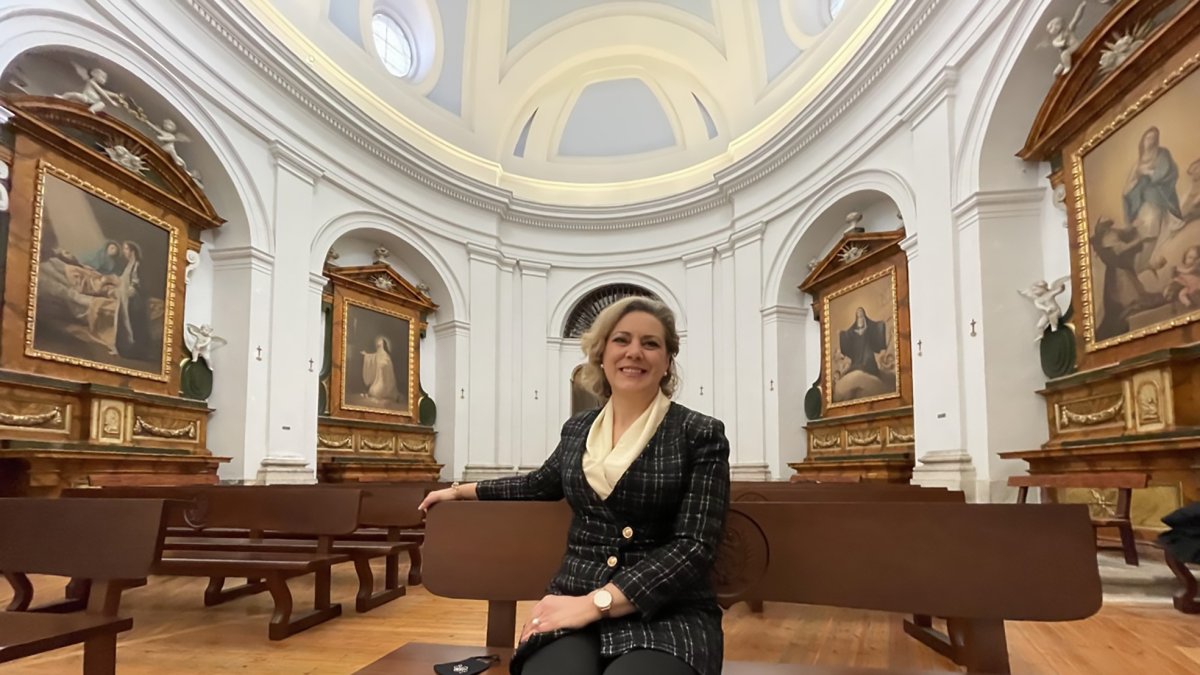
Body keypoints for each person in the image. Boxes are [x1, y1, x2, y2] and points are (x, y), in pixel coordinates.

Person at [419, 297, 730, 675]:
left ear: (667, 362)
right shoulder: (578, 428)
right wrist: (457, 491)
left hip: (668, 609)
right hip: (573, 595)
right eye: (622, 340)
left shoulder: (699, 433)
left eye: (650, 343)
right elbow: (537, 484)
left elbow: (694, 545)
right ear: (601, 354)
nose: (635, 352)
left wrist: (597, 603)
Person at [361, 335, 401, 402]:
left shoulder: (385, 354)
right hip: (381, 369)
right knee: (379, 382)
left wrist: (383, 365)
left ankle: (388, 393)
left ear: (383, 346)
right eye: (378, 346)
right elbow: (373, 356)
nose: (378, 347)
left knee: (385, 381)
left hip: (384, 369)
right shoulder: (379, 354)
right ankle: (382, 392)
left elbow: (387, 362)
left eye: (379, 346)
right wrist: (366, 355)